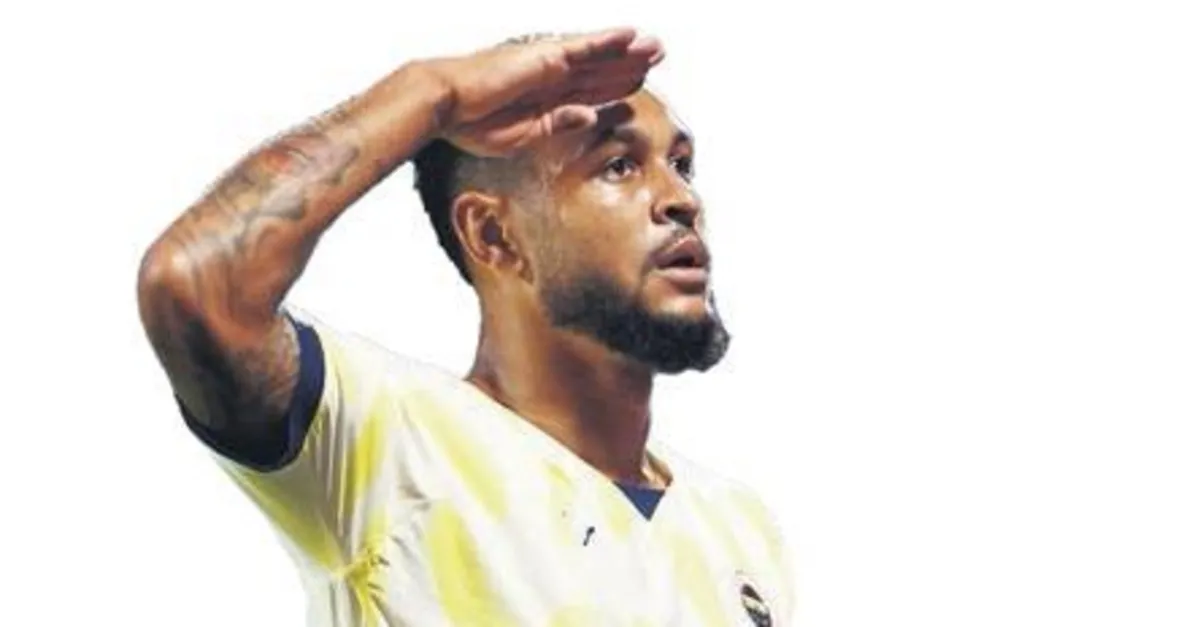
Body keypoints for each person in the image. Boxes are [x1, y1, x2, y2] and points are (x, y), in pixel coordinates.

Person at [137, 26, 794, 626]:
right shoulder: (386, 443)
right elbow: (193, 281)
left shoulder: (737, 526)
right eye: (618, 165)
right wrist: (432, 93)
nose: (682, 199)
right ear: (493, 234)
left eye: (681, 164)